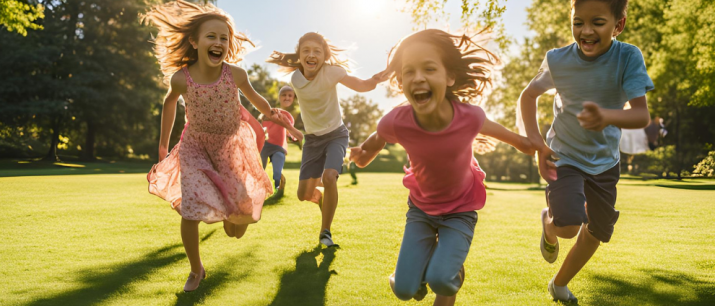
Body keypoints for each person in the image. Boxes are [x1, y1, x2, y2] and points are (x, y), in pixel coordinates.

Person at [350, 29, 534, 306]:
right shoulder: (396, 121)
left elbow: (518, 141)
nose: (419, 77)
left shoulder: (469, 117)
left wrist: (542, 149)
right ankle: (414, 274)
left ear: (449, 77)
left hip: (460, 211)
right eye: (408, 72)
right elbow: (372, 145)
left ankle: (447, 270)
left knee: (440, 279)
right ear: (400, 82)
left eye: (429, 68)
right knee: (403, 291)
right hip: (421, 211)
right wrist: (360, 156)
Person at [143, 0, 293, 292]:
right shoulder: (181, 79)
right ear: (194, 41)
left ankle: (231, 214)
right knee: (190, 211)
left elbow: (256, 99)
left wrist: (275, 115)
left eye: (224, 38)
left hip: (230, 147)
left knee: (238, 226)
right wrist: (163, 145)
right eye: (211, 36)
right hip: (195, 147)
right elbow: (169, 102)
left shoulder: (235, 75)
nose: (219, 42)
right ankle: (196, 270)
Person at [518, 0, 654, 302]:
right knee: (568, 227)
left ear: (618, 25)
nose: (586, 31)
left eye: (597, 22)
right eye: (578, 22)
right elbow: (529, 96)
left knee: (599, 230)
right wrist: (537, 143)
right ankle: (550, 225)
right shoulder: (558, 60)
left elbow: (641, 115)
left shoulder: (628, 57)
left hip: (605, 162)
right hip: (564, 155)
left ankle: (559, 284)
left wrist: (606, 115)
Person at [267, 32, 388, 247]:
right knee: (303, 195)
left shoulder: (332, 72)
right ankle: (323, 198)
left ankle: (326, 232)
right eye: (306, 51)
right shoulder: (295, 78)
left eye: (317, 51)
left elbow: (361, 85)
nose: (311, 55)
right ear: (299, 55)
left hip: (336, 134)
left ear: (325, 56)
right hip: (313, 140)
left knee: (330, 177)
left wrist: (375, 80)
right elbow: (304, 74)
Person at [260, 85, 304, 197]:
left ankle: (278, 190)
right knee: (260, 169)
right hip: (265, 146)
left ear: (293, 98)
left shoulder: (289, 116)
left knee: (277, 171)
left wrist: (292, 138)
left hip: (279, 147)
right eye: (284, 95)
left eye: (290, 95)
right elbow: (262, 122)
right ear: (279, 97)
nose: (287, 97)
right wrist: (265, 117)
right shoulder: (270, 111)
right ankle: (258, 191)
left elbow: (290, 132)